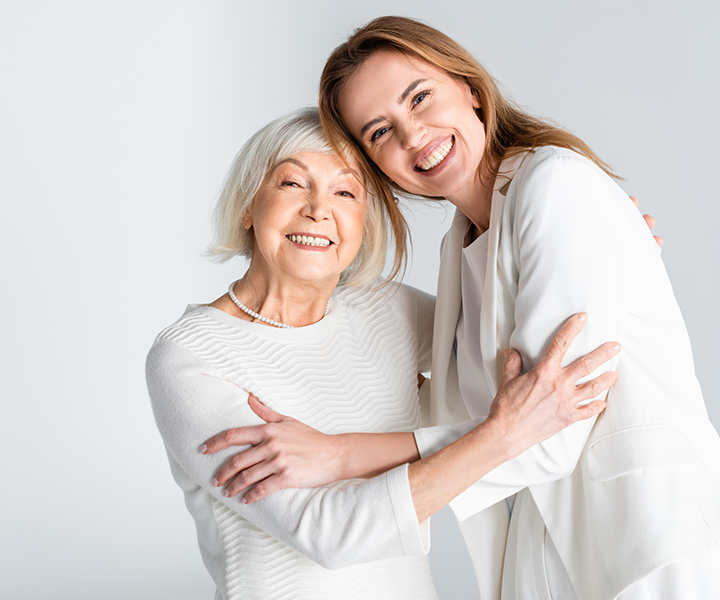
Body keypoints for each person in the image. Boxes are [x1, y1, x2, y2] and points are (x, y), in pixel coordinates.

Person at [214, 16, 720, 600]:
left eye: (419, 97)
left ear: (469, 86)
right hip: (540, 551)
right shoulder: (463, 242)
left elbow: (546, 431)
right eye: (379, 132)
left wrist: (341, 454)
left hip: (647, 538)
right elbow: (444, 399)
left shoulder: (556, 186)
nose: (412, 135)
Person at [145, 107, 622, 600]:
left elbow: (511, 338)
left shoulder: (384, 309)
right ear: (247, 207)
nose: (318, 209)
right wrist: (501, 436)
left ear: (364, 221)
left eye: (345, 192)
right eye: (292, 184)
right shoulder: (191, 355)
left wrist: (589, 245)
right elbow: (328, 533)